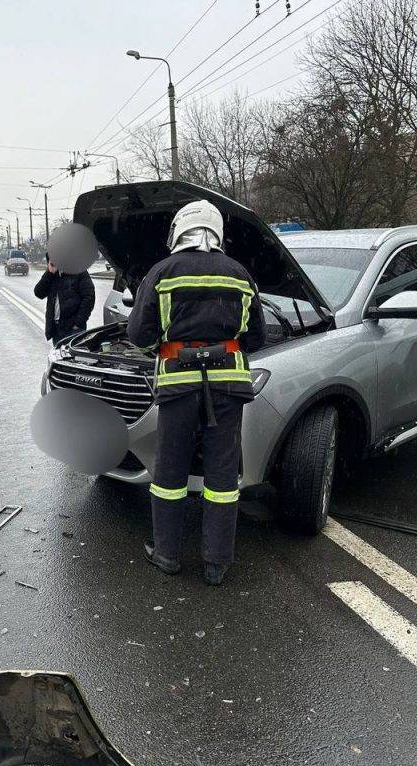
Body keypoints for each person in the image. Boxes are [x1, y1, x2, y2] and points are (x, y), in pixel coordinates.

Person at [127, 200, 266, 586]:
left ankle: (168, 554)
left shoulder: (161, 272)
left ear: (179, 231)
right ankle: (217, 562)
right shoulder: (240, 275)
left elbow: (139, 335)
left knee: (169, 470)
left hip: (178, 385)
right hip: (229, 385)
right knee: (222, 473)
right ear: (217, 231)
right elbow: (256, 336)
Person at [34, 253, 96, 345]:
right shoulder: (52, 275)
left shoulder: (78, 271)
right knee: (59, 357)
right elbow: (39, 293)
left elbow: (89, 297)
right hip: (56, 329)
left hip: (74, 329)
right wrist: (49, 273)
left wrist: (78, 323)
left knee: (73, 358)